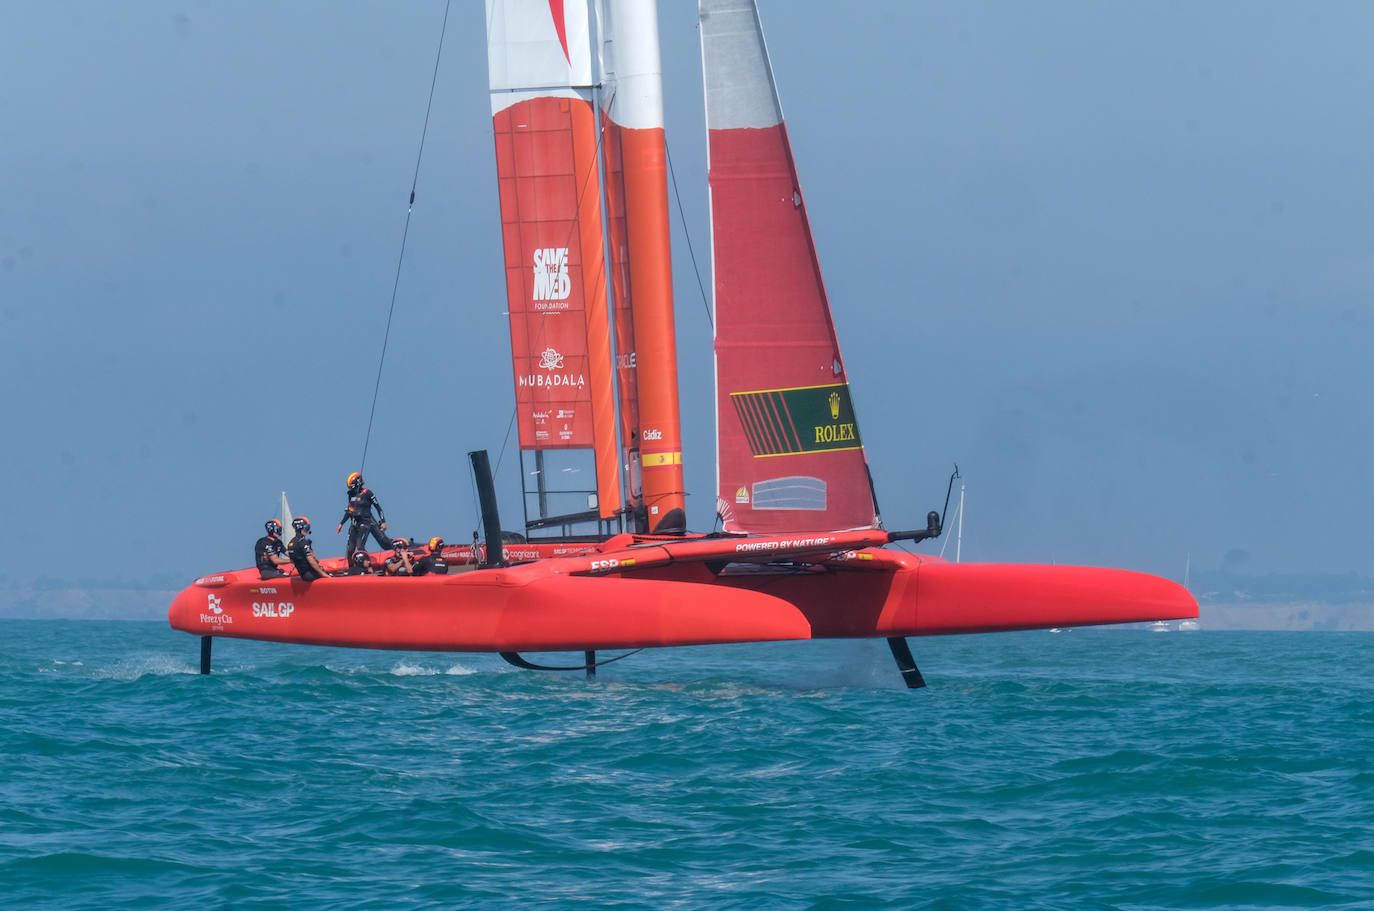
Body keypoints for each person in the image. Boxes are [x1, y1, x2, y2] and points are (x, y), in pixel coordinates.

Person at [336, 472, 391, 561]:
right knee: (350, 549)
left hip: (365, 522)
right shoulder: (351, 495)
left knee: (361, 545)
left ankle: (367, 564)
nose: (351, 490)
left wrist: (383, 521)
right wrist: (341, 523)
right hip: (354, 524)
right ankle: (351, 569)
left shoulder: (367, 493)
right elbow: (350, 510)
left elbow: (378, 507)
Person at [288, 516, 331, 582]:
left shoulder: (291, 543)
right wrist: (323, 574)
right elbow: (311, 560)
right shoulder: (303, 543)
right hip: (310, 575)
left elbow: (295, 560)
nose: (307, 531)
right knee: (331, 574)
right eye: (306, 528)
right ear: (300, 528)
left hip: (303, 574)